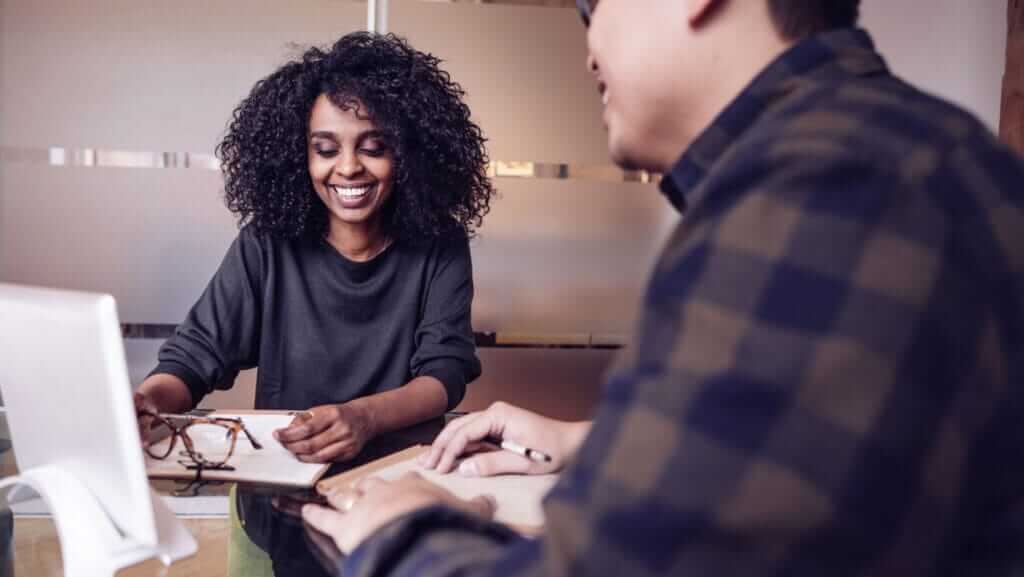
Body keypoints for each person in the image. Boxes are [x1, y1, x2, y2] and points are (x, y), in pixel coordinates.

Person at [302, 0, 1024, 574]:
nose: (588, 49)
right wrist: (590, 441)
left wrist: (400, 532)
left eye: (594, 7)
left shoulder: (829, 191)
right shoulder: (909, 153)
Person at [135, 32, 493, 463]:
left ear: (407, 155)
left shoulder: (440, 245)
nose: (347, 167)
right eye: (325, 149)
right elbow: (196, 357)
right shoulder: (265, 243)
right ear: (297, 157)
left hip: (396, 485)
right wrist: (149, 401)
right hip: (280, 485)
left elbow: (444, 374)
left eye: (374, 148)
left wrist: (364, 417)